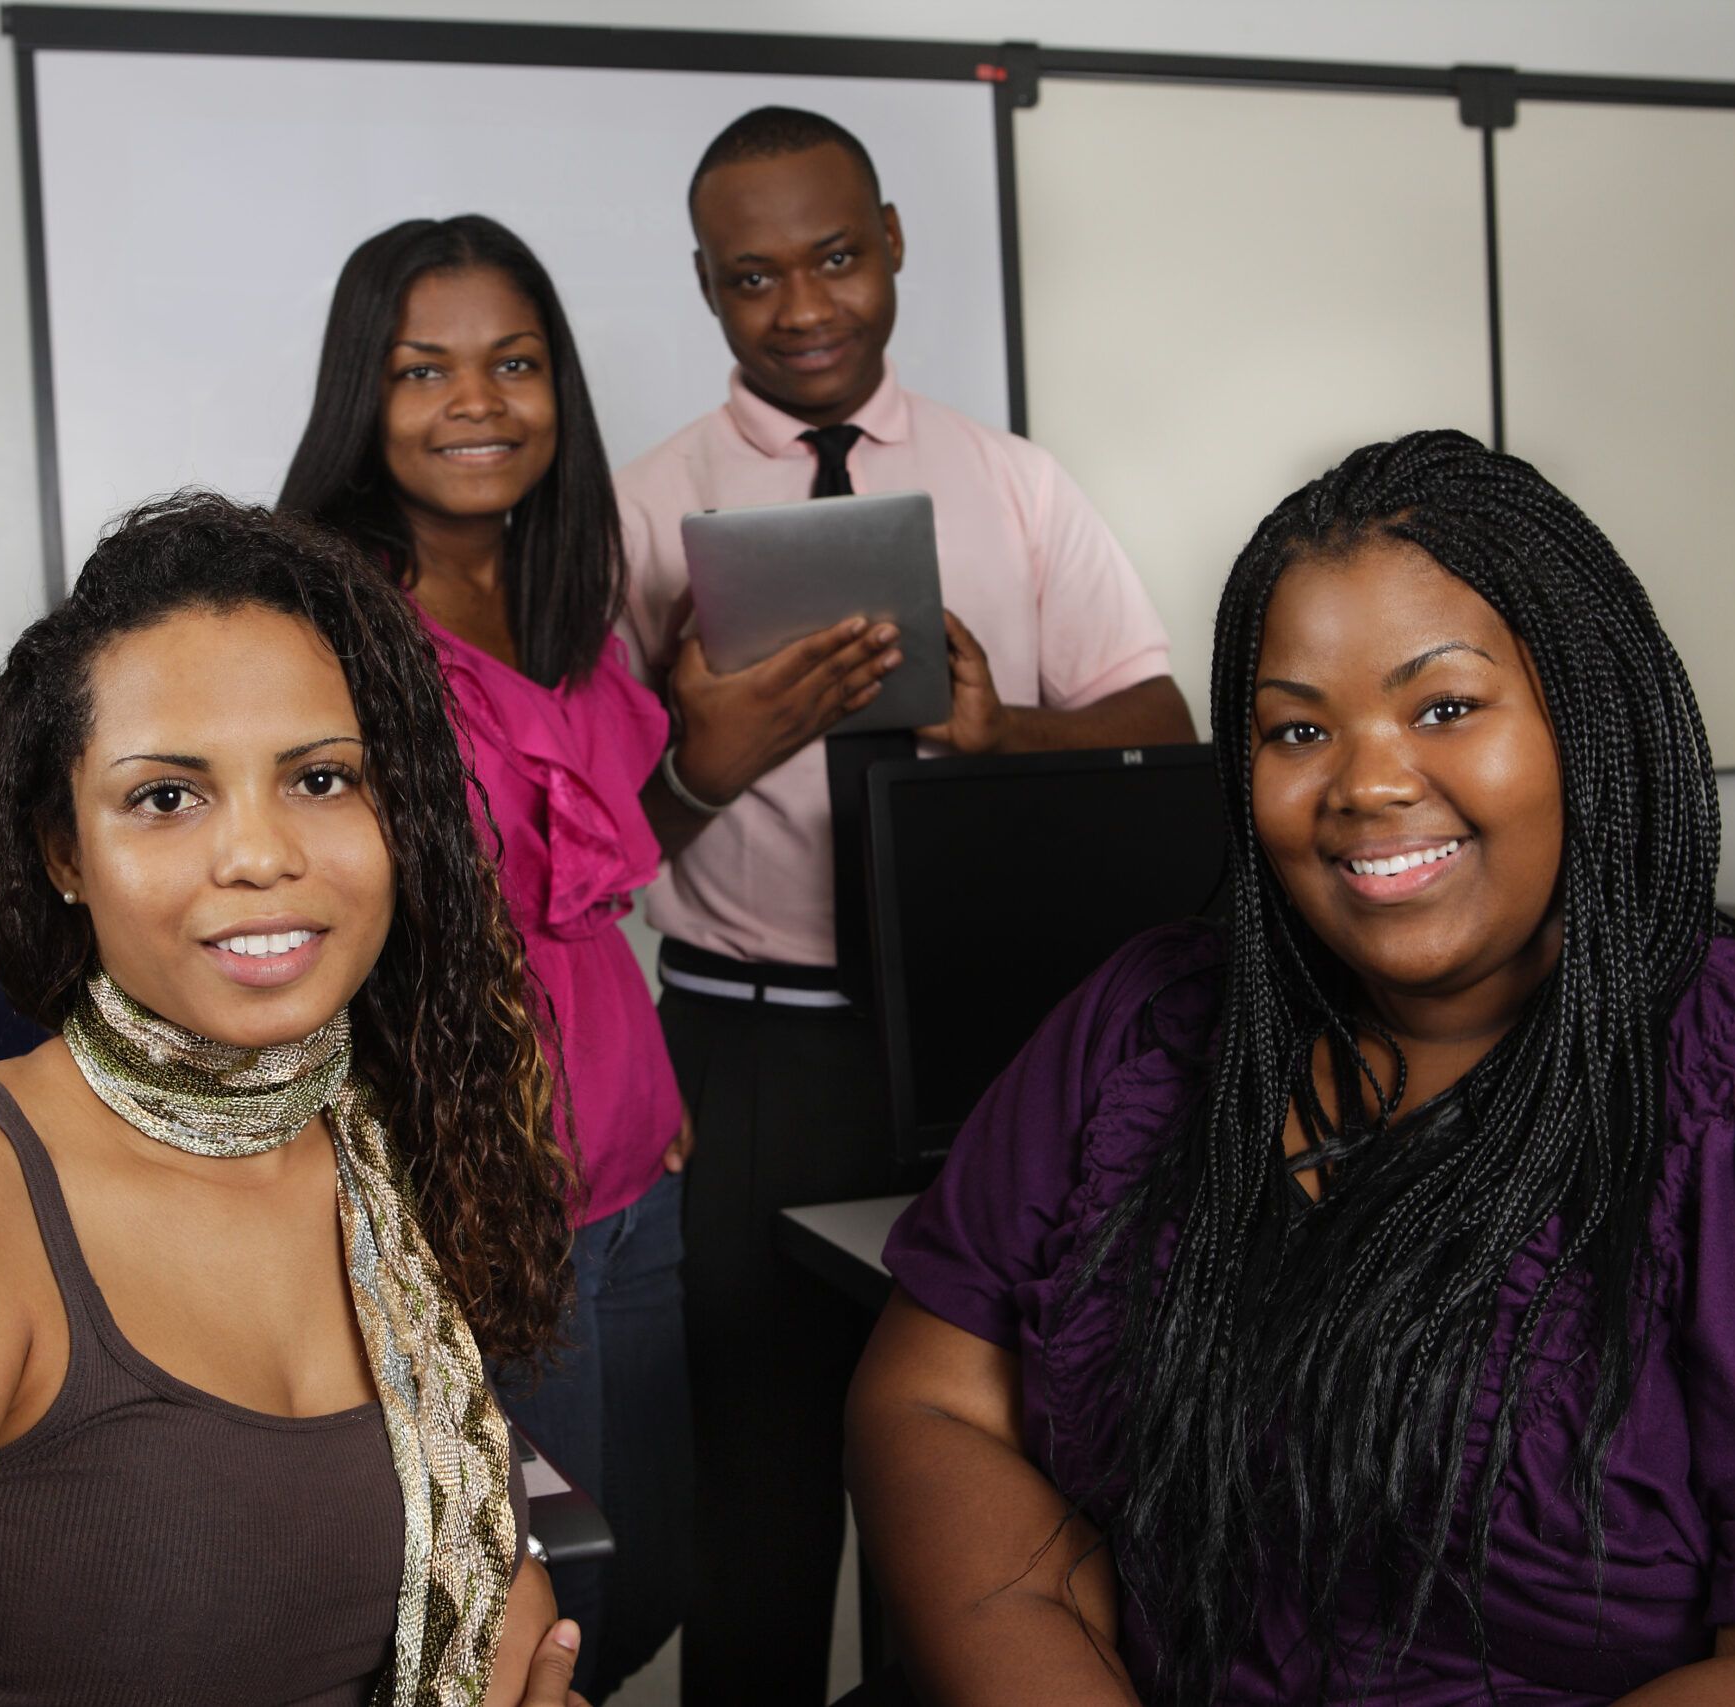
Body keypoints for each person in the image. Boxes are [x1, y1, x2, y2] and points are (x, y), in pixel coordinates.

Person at [850, 430, 1735, 1705]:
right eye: (1295, 730)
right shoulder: (1151, 1020)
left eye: (1443, 707)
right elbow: (930, 1403)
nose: (1365, 784)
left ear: (1582, 717)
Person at [0, 494, 596, 1707]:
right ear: (63, 852)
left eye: (321, 778)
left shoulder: (385, 1141)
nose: (258, 855)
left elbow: (498, 1613)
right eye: (166, 797)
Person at [614, 105, 1195, 1702]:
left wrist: (1009, 737)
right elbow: (588, 832)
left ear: (891, 243)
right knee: (759, 1500)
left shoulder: (1015, 483)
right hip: (749, 1048)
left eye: (837, 258)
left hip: (998, 1057)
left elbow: (1160, 723)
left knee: (1003, 1478)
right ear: (705, 286)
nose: (803, 308)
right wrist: (703, 749)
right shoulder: (640, 512)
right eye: (752, 277)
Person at [279, 214, 689, 1702]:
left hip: (641, 1175)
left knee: (657, 1566)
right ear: (361, 399)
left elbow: (590, 871)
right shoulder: (326, 623)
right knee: (529, 1609)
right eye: (423, 369)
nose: (479, 402)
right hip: (484, 1198)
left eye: (515, 363)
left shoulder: (573, 592)